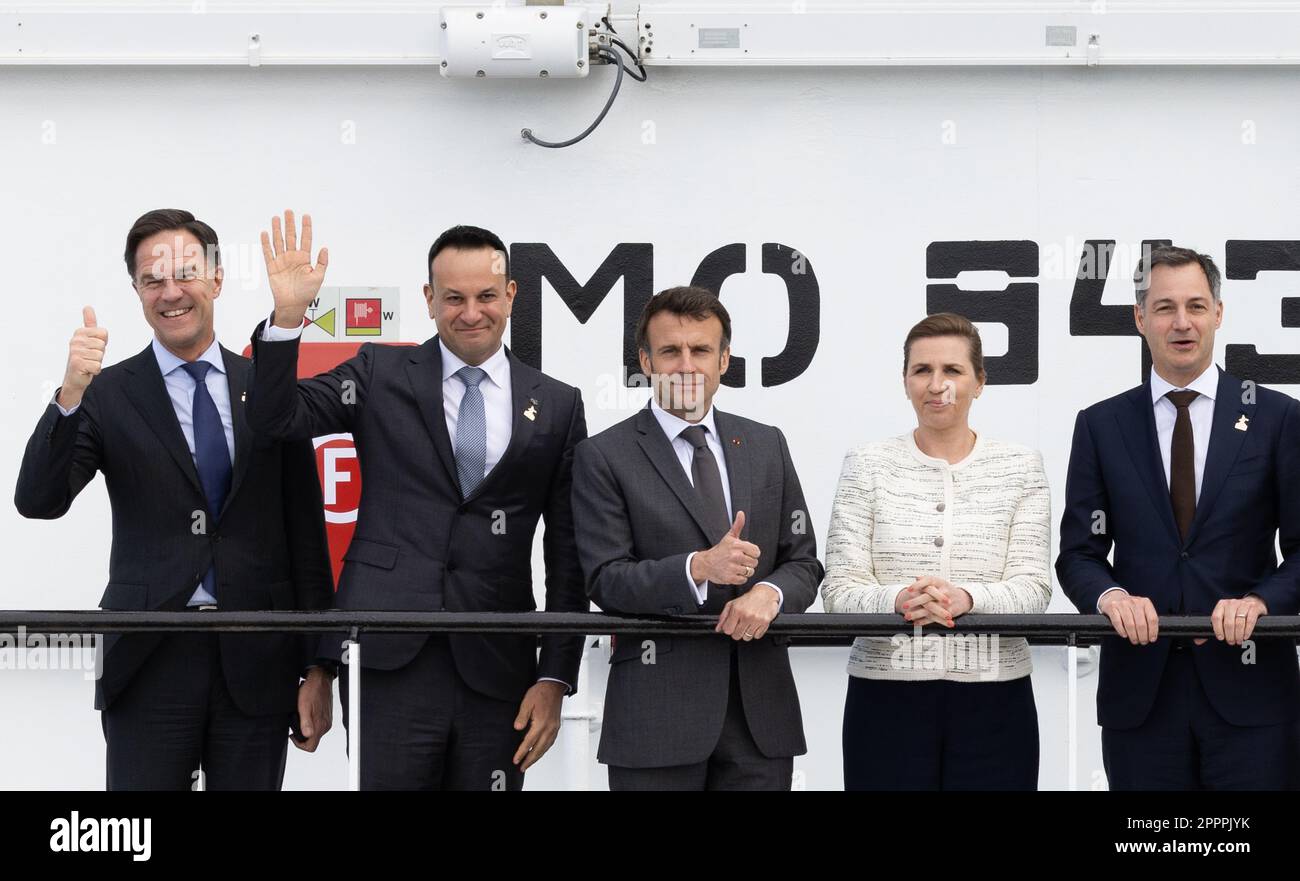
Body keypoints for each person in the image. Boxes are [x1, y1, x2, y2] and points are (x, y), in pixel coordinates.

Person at [246, 213, 587, 790]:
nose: (470, 312)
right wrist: (286, 320)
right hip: (387, 658)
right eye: (453, 297)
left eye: (485, 296)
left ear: (511, 295)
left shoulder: (557, 404)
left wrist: (555, 676)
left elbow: (569, 554)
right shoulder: (378, 372)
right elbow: (277, 417)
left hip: (497, 667)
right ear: (429, 299)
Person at [15, 209, 334, 790]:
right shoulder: (107, 393)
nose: (170, 293)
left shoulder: (270, 388)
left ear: (216, 279)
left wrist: (320, 665)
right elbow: (39, 500)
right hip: (148, 660)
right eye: (151, 280)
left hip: (257, 660)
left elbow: (305, 534)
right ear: (136, 291)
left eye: (185, 274)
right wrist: (69, 395)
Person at [1056, 244, 1300, 790]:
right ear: (1140, 319)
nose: (1182, 322)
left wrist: (1261, 601)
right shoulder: (1101, 425)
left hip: (1253, 691)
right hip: (1141, 697)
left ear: (1218, 312)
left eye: (1195, 305)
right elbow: (1079, 554)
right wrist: (1111, 597)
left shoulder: (1278, 417)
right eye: (1164, 308)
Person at [572, 285, 823, 791]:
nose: (686, 365)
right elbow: (605, 579)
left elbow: (804, 562)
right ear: (645, 360)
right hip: (656, 720)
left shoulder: (766, 444)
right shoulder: (604, 455)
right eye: (670, 351)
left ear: (724, 359)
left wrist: (768, 595)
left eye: (701, 350)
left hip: (760, 719)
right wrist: (697, 569)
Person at [822, 312, 1050, 790]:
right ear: (905, 381)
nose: (936, 384)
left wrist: (967, 599)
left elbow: (1033, 588)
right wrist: (899, 600)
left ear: (979, 382)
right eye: (922, 370)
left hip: (996, 701)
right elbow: (839, 589)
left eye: (953, 370)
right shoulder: (866, 465)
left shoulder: (1021, 467)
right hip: (885, 699)